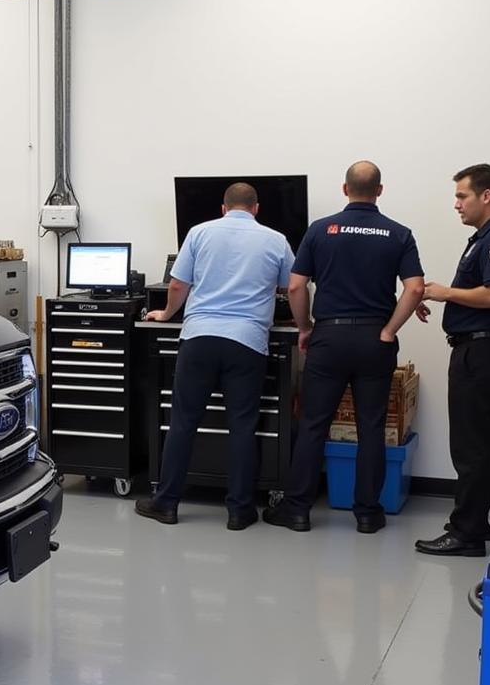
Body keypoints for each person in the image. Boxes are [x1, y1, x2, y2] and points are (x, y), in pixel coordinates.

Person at [263, 161, 425, 534]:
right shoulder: (399, 233)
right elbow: (415, 288)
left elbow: (297, 286)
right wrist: (389, 330)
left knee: (313, 425)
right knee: (372, 426)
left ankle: (298, 509)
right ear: (380, 191)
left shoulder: (320, 230)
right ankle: (368, 514)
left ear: (344, 188)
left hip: (329, 338)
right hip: (374, 341)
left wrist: (305, 327)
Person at [135, 182, 295, 530]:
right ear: (256, 208)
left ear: (223, 208)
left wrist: (164, 314)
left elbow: (178, 285)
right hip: (247, 342)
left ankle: (166, 503)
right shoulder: (275, 240)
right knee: (242, 426)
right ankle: (240, 511)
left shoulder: (199, 232)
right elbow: (291, 286)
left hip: (199, 338)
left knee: (183, 423)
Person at [415, 163, 490, 557]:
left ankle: (465, 533)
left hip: (481, 352)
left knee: (472, 444)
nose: (456, 204)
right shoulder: (485, 237)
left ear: (486, 196)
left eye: (462, 196)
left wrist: (445, 293)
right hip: (486, 349)